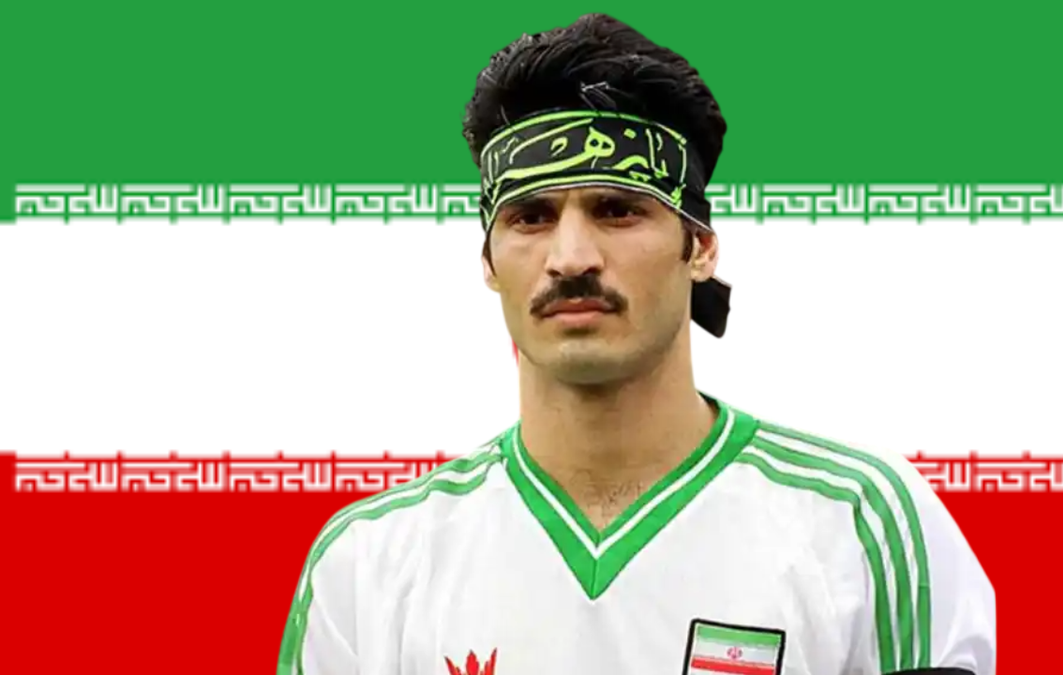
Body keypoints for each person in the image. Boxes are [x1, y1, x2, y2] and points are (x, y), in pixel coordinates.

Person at [277, 13, 995, 675]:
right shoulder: (368, 567)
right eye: (531, 216)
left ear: (700, 248)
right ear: (489, 261)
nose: (571, 257)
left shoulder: (861, 527)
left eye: (617, 210)